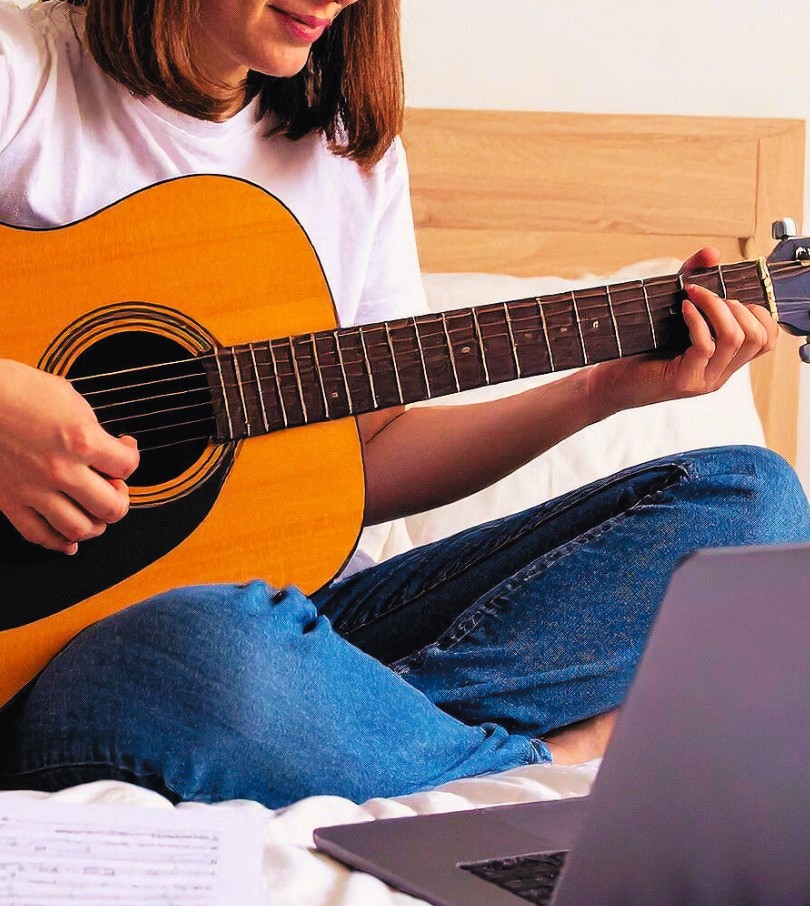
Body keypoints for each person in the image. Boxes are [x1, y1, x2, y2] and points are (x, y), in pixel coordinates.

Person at [0, 0, 807, 807]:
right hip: (83, 663)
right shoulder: (22, 76)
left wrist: (598, 390)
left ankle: (361, 736)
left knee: (754, 506)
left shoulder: (347, 152)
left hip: (315, 627)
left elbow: (370, 451)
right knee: (216, 648)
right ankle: (537, 763)